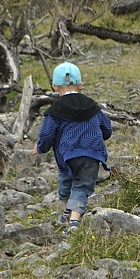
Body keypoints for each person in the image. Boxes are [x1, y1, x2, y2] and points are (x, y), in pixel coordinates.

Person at [33, 62, 113, 231]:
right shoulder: (92, 105)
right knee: (82, 186)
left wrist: (41, 148)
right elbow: (107, 127)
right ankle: (72, 216)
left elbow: (47, 134)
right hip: (92, 153)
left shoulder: (55, 110)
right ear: (80, 85)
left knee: (66, 182)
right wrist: (97, 138)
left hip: (67, 155)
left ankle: (71, 219)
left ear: (54, 86)